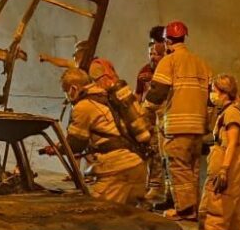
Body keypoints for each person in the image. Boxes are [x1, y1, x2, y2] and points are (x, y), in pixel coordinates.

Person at [143, 21, 213, 221]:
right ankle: (194, 209)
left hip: (177, 124)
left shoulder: (169, 61)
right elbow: (210, 97)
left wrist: (144, 110)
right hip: (198, 126)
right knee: (192, 169)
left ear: (166, 41)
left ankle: (184, 210)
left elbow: (158, 92)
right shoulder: (201, 63)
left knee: (178, 168)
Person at [47, 68, 147, 205]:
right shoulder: (106, 97)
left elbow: (75, 144)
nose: (67, 97)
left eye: (66, 92)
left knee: (98, 216)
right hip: (137, 166)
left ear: (73, 89)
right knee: (129, 219)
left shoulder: (83, 106)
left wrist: (56, 148)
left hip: (116, 171)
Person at [198, 74, 240, 230]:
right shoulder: (233, 112)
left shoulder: (231, 115)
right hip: (238, 171)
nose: (211, 95)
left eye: (214, 90)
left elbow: (231, 143)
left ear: (224, 92)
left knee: (213, 218)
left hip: (228, 172)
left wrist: (223, 170)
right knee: (234, 222)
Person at [138, 32, 169, 205]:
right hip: (147, 118)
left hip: (163, 117)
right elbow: (138, 95)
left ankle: (159, 188)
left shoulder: (166, 70)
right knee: (149, 150)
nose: (153, 57)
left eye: (157, 53)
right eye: (151, 53)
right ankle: (149, 184)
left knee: (161, 152)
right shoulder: (144, 70)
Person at [39, 39, 119, 90]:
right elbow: (64, 63)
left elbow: (103, 89)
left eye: (75, 55)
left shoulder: (92, 67)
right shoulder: (98, 62)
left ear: (82, 54)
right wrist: (48, 58)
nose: (74, 58)